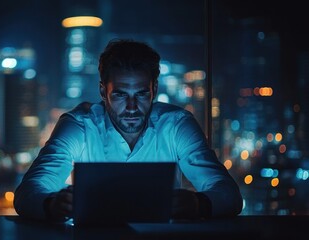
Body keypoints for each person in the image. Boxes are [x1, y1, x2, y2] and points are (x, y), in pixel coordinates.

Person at [14, 39, 243, 221]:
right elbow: (28, 192)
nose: (132, 107)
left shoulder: (176, 125)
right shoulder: (79, 125)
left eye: (141, 94)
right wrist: (52, 205)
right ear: (103, 92)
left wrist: (197, 204)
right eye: (121, 94)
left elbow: (230, 195)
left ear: (154, 89)